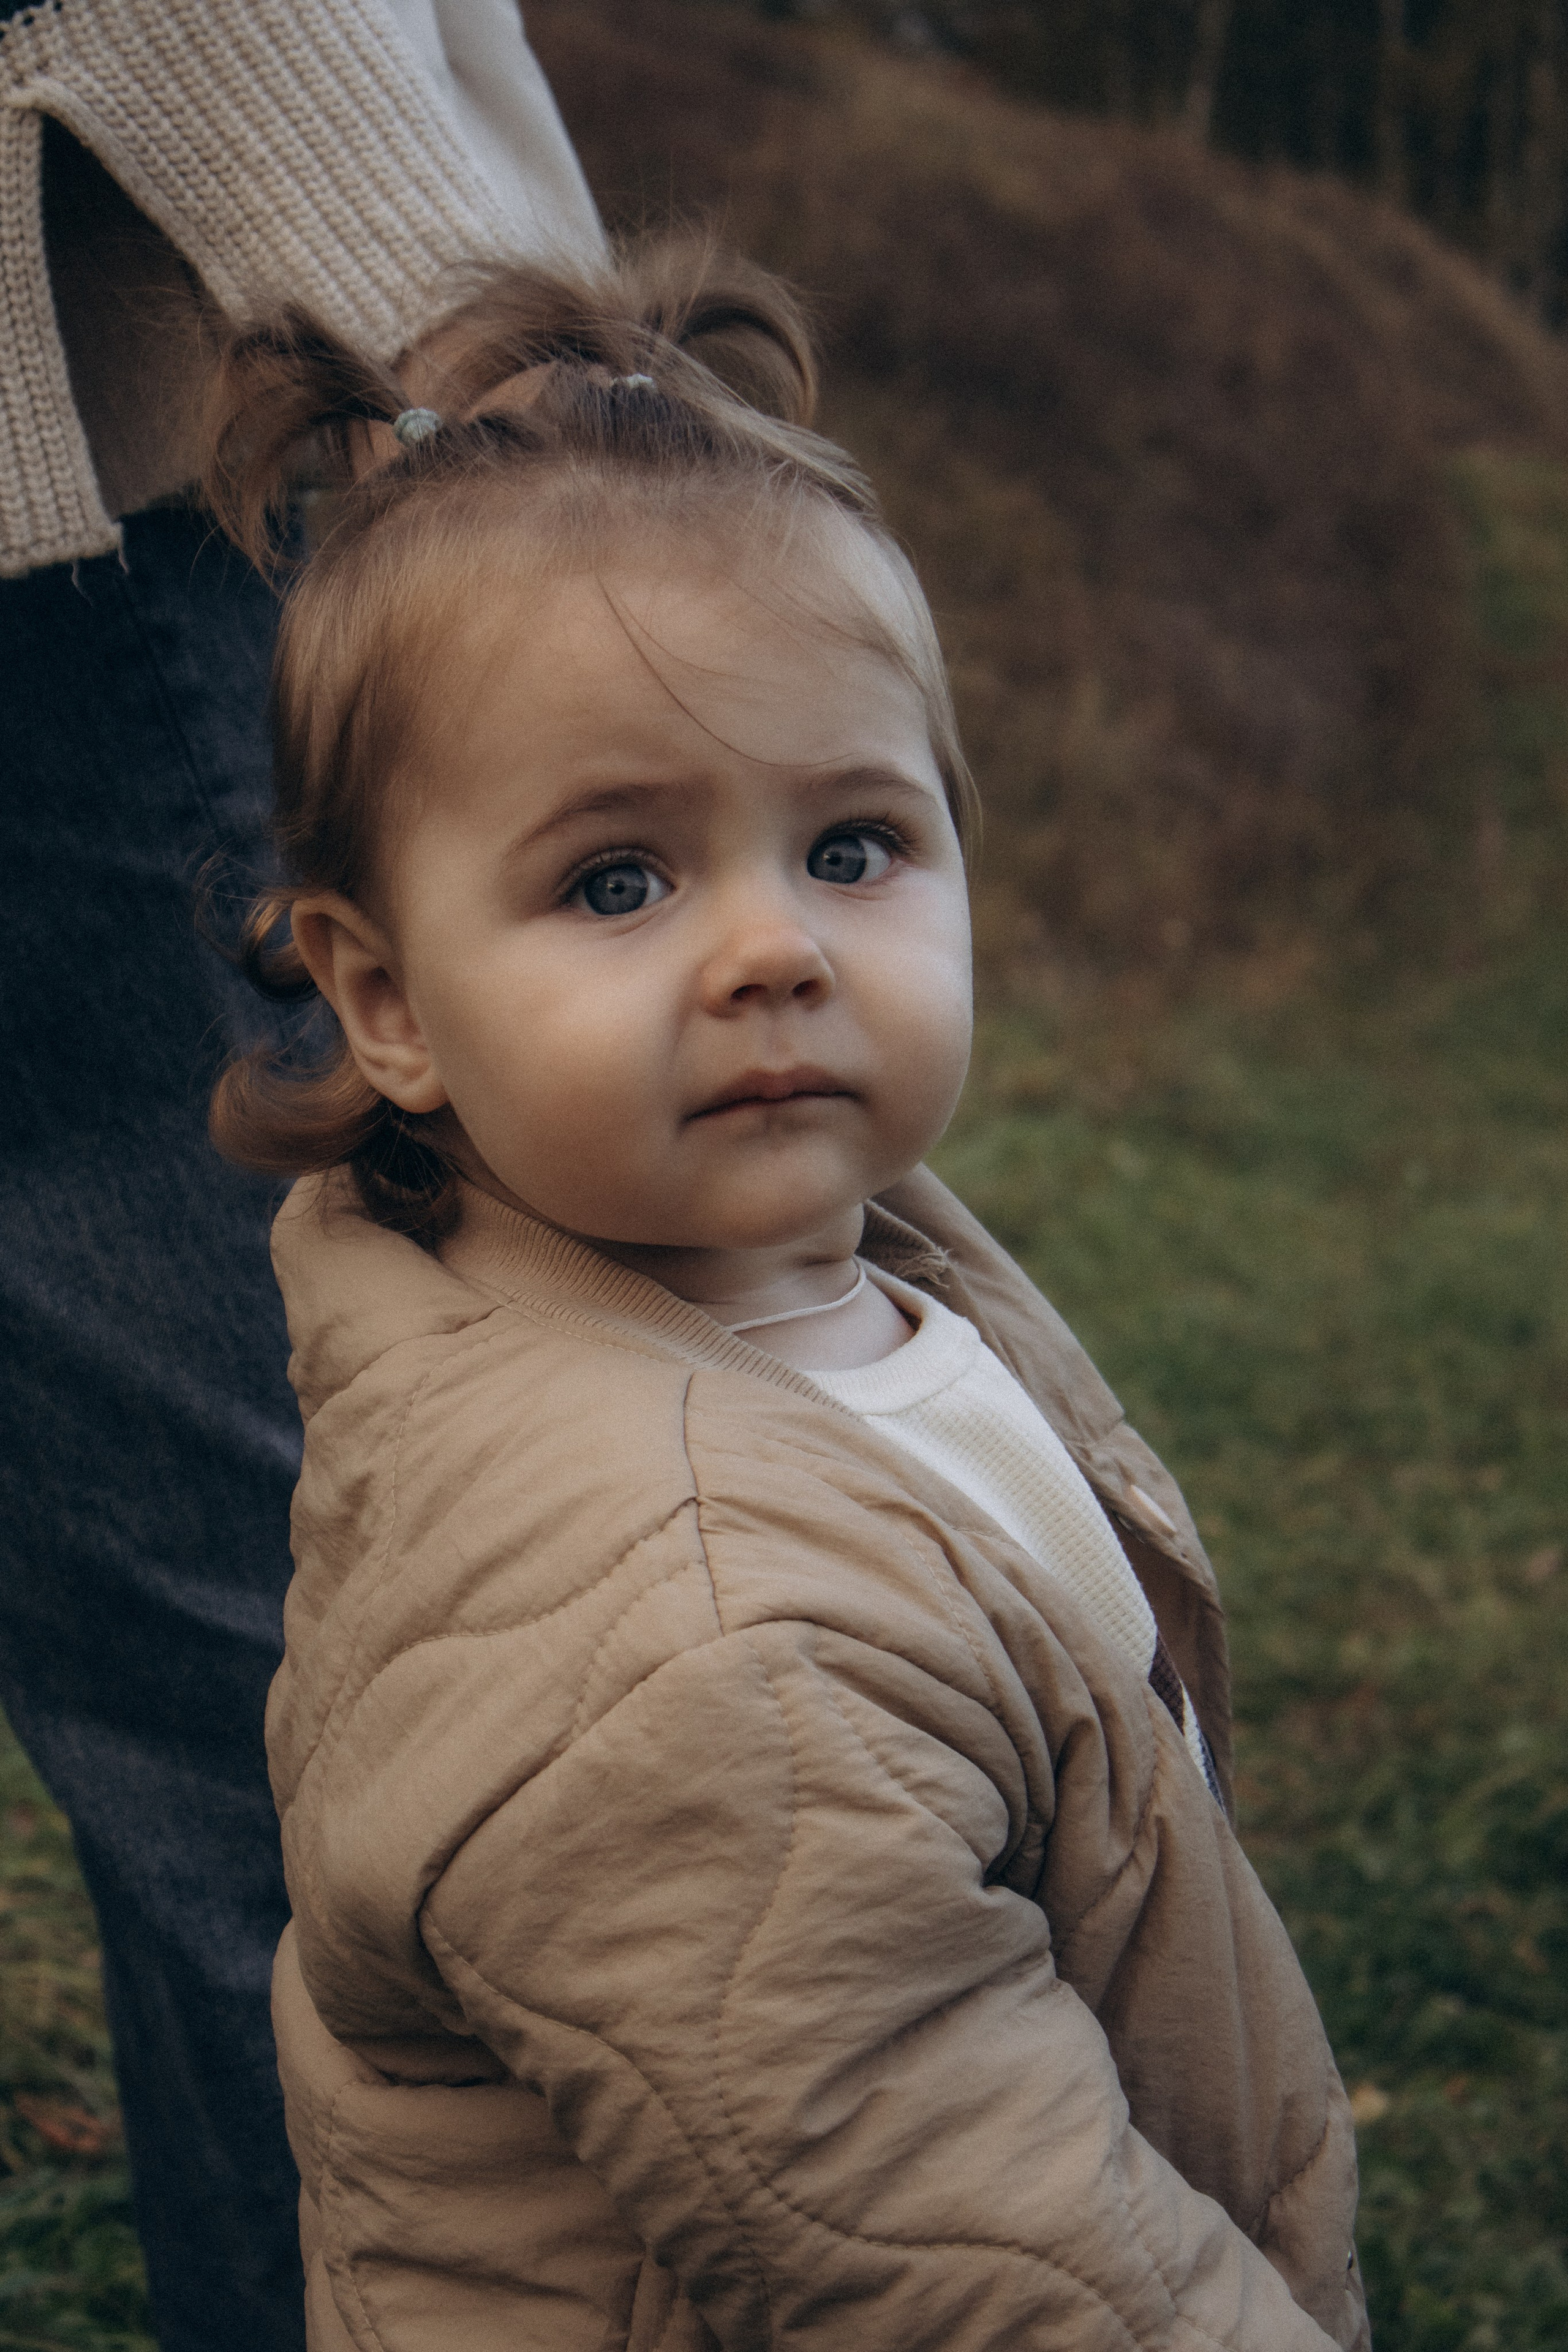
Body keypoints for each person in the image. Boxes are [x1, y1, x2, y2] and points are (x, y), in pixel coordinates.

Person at [199, 238, 1371, 2350]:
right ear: (381, 998)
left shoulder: (861, 1263)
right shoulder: (677, 1643)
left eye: (851, 847)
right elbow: (985, 2255)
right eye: (619, 879)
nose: (774, 949)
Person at [0, 4, 600, 2344]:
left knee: (295, 1691)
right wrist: (482, 337)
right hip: (66, 616)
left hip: (81, 560)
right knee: (291, 1703)